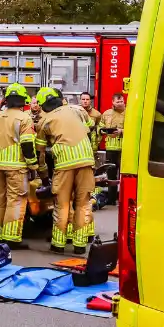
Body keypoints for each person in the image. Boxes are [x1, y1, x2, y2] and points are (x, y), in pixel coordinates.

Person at [44, 89, 97, 255]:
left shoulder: (45, 120)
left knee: (62, 204)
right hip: (86, 160)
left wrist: (43, 174)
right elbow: (91, 126)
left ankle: (58, 244)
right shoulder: (78, 110)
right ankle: (80, 245)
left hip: (64, 164)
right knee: (83, 203)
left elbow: (39, 151)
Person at [0, 83, 38, 250]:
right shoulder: (25, 118)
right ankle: (12, 239)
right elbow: (27, 146)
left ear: (6, 100)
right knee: (16, 201)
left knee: (0, 200)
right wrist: (33, 166)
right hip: (16, 166)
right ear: (23, 100)